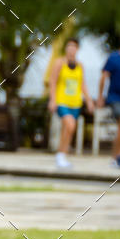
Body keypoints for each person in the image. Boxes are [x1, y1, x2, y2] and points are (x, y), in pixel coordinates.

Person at [48, 37, 94, 170]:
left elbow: (82, 84)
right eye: (69, 46)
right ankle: (61, 154)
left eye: (74, 46)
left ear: (77, 49)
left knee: (69, 129)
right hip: (62, 101)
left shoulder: (80, 65)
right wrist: (52, 100)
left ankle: (62, 154)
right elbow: (52, 82)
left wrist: (89, 100)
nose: (71, 49)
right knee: (70, 124)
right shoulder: (59, 63)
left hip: (76, 103)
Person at [97, 32, 120, 169]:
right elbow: (103, 77)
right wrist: (100, 97)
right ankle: (116, 157)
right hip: (116, 97)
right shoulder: (114, 58)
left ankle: (119, 154)